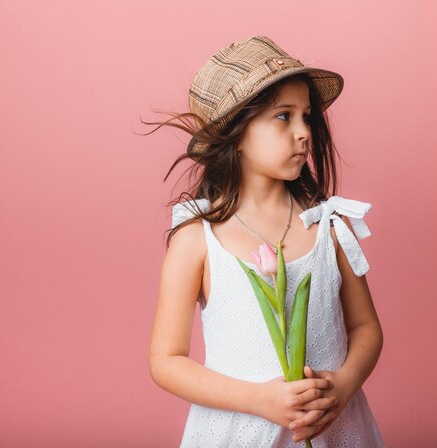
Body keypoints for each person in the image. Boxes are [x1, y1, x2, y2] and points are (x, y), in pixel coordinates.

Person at [145, 35, 386, 447]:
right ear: (236, 133)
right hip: (239, 431)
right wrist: (259, 399)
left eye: (306, 117)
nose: (303, 133)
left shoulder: (327, 222)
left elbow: (366, 327)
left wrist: (342, 387)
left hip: (333, 429)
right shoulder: (197, 237)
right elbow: (165, 360)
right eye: (283, 117)